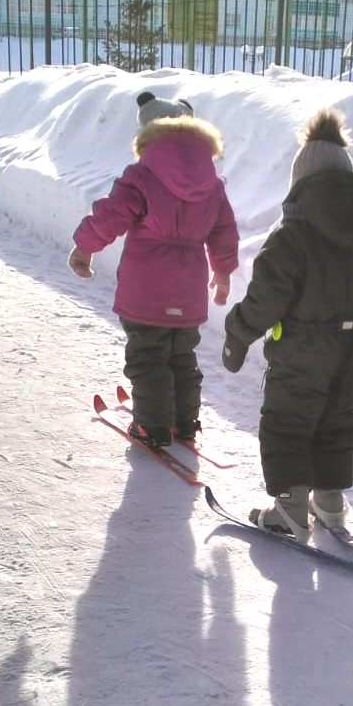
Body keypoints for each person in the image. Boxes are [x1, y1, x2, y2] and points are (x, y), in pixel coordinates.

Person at [221, 107, 353, 540]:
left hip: (301, 350)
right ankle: (329, 503)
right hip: (352, 352)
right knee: (336, 421)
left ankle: (289, 507)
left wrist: (238, 333)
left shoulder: (292, 236)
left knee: (287, 421)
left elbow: (267, 297)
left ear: (301, 183)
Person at [68, 91, 238, 447]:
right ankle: (185, 423)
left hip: (145, 290)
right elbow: (224, 230)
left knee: (148, 358)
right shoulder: (212, 183)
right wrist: (222, 272)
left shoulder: (142, 175)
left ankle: (153, 427)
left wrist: (84, 248)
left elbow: (111, 215)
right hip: (189, 291)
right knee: (182, 357)